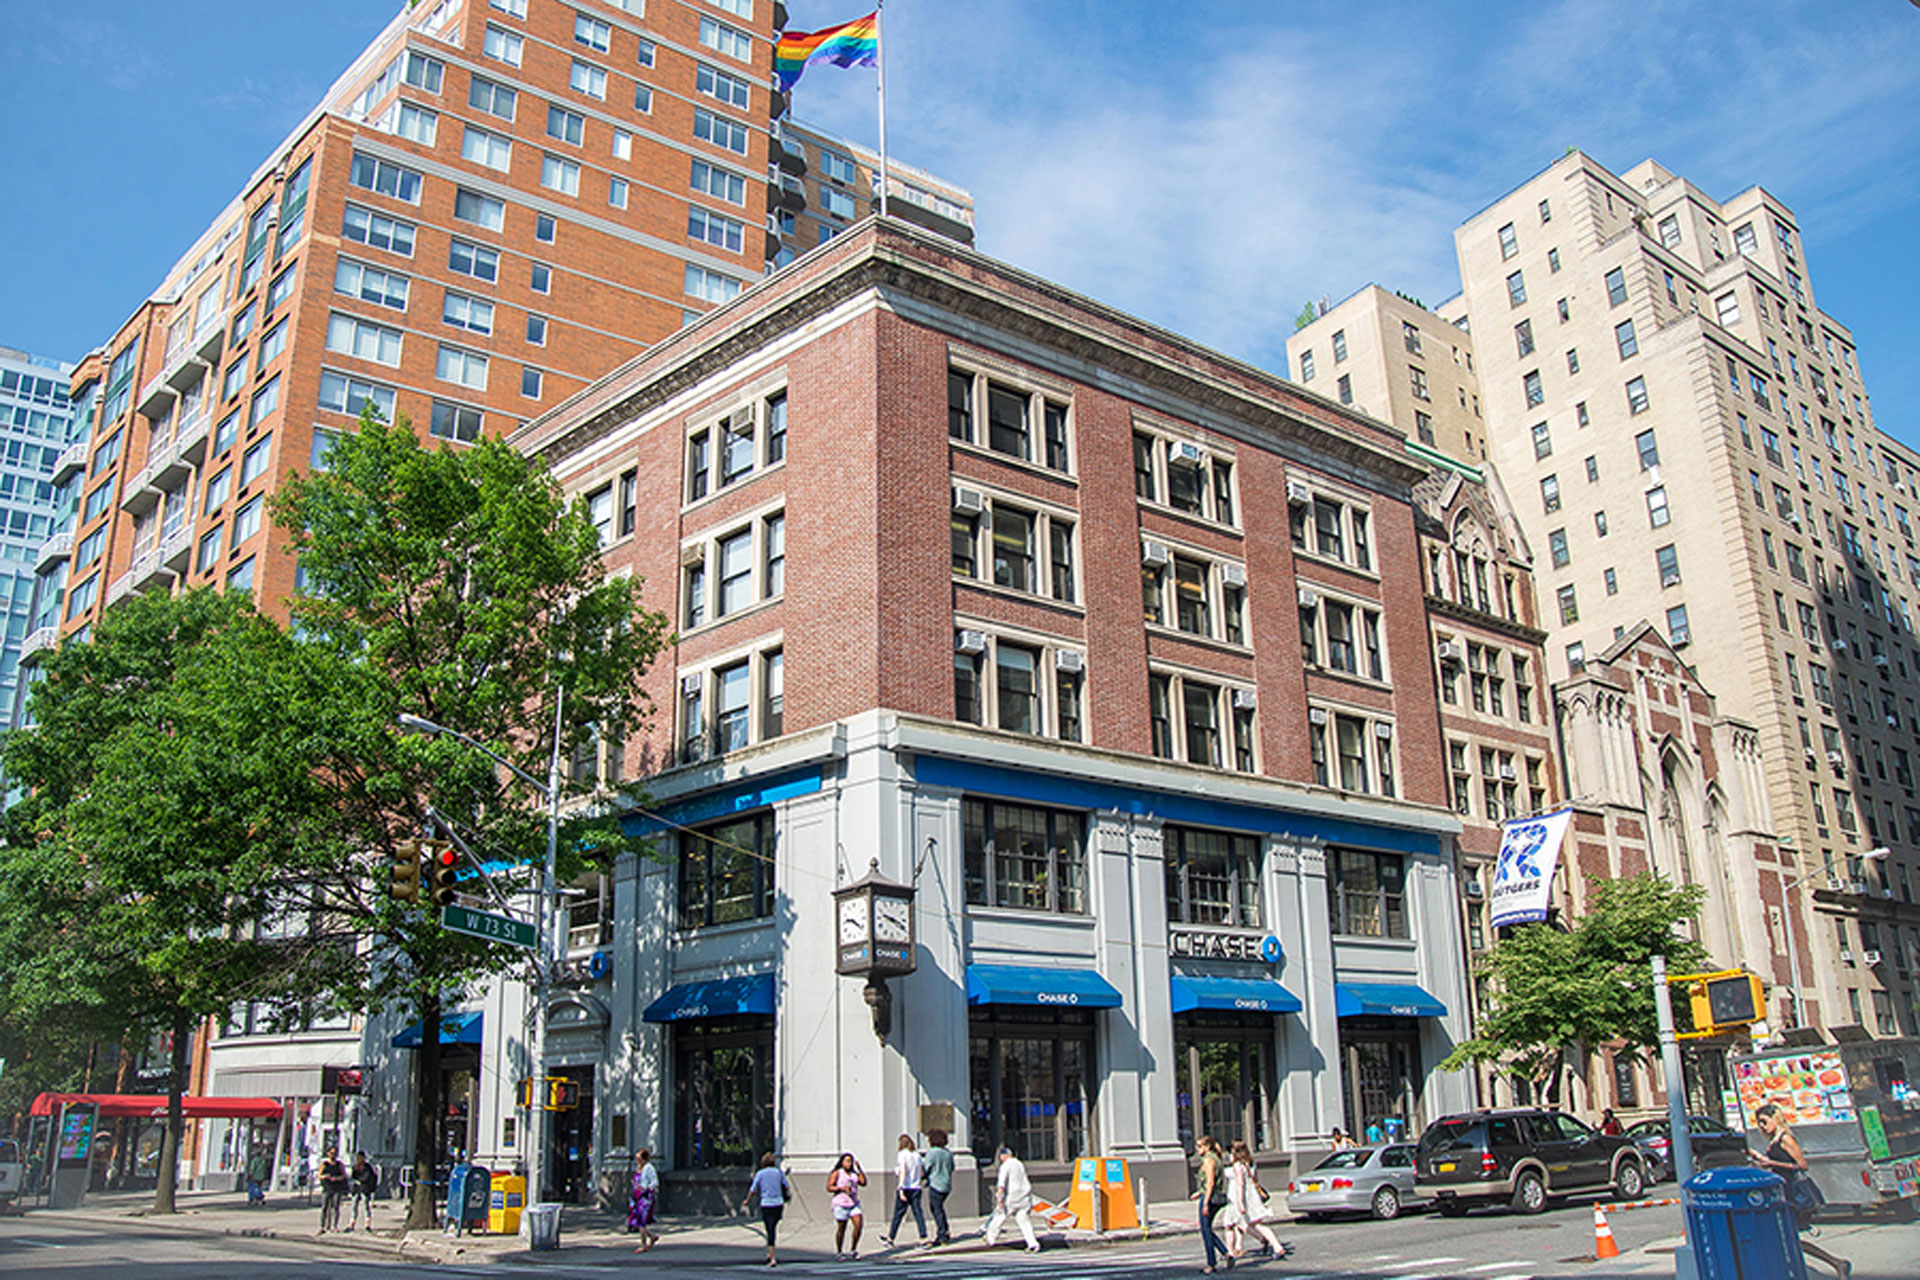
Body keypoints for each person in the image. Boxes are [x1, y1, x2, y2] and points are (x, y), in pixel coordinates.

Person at [1751, 1104, 1850, 1279]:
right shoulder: (1774, 1140)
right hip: (1784, 1191)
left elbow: (1801, 1165)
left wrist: (1771, 1163)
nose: (1762, 1127)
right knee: (1787, 1237)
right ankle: (1833, 1263)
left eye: (1764, 1122)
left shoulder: (1786, 1139)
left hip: (1794, 1192)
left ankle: (1835, 1263)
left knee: (1788, 1236)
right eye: (1759, 1123)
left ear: (1775, 1118)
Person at [1223, 1140, 1285, 1260]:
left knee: (1255, 1224)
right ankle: (1274, 1245)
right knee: (1254, 1224)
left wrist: (1240, 1202)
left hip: (1245, 1198)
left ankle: (1277, 1247)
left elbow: (1240, 1184)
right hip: (1253, 1196)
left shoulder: (1237, 1166)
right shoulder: (1249, 1163)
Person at [984, 1145, 1040, 1252]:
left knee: (999, 1218)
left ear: (1004, 1156)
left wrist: (999, 1198)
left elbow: (1001, 1183)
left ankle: (990, 1239)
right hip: (1024, 1196)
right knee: (1024, 1222)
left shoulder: (1005, 1166)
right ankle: (1033, 1243)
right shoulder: (1019, 1164)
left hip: (1012, 1197)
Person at [743, 1152, 794, 1268]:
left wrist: (747, 1200)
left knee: (770, 1230)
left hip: (766, 1204)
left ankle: (772, 1256)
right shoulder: (778, 1172)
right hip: (778, 1204)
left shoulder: (760, 1174)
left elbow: (753, 1189)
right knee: (773, 1227)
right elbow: (786, 1186)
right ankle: (770, 1252)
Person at [1192, 1135, 1230, 1273]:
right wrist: (1199, 1192)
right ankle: (1226, 1254)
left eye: (1200, 1146)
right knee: (1207, 1228)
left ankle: (1211, 1263)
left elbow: (1211, 1182)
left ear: (1207, 1147)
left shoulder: (1208, 1160)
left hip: (1211, 1197)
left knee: (1205, 1230)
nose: (1198, 1149)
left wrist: (1205, 1202)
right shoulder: (1216, 1158)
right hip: (1214, 1195)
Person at [883, 1133, 928, 1247]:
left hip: (906, 1186)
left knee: (898, 1214)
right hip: (916, 1187)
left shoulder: (902, 1155)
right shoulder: (917, 1156)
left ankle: (891, 1238)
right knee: (918, 1213)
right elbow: (922, 1172)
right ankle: (923, 1237)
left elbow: (903, 1171)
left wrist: (901, 1188)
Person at [827, 1151, 867, 1260]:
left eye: (851, 1162)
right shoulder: (837, 1173)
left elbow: (863, 1183)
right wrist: (841, 1188)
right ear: (842, 1162)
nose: (849, 1164)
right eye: (847, 1161)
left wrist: (860, 1169)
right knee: (841, 1228)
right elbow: (829, 1187)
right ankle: (839, 1251)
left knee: (858, 1225)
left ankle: (853, 1249)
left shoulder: (854, 1174)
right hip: (841, 1203)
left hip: (853, 1203)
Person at [923, 1129, 955, 1246]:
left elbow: (927, 1168)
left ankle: (942, 1234)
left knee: (936, 1209)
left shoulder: (932, 1153)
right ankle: (944, 1230)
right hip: (946, 1184)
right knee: (939, 1208)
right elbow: (952, 1168)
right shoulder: (948, 1153)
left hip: (935, 1184)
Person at [628, 1148, 660, 1252]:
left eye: (638, 1158)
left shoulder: (649, 1168)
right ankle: (652, 1236)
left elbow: (654, 1182)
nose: (636, 1160)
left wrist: (646, 1188)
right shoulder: (639, 1168)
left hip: (645, 1197)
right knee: (636, 1220)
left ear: (644, 1158)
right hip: (637, 1197)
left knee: (641, 1221)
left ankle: (643, 1245)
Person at [316, 1148, 349, 1233]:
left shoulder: (339, 1164)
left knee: (335, 1207)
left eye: (334, 1153)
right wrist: (325, 1176)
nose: (333, 1155)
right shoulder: (324, 1164)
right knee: (325, 1207)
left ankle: (334, 1226)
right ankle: (323, 1226)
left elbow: (343, 1175)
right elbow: (319, 1175)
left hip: (336, 1188)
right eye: (331, 1153)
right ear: (328, 1154)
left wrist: (337, 1178)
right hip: (327, 1188)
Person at [346, 1152, 379, 1231]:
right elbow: (353, 1176)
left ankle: (367, 1223)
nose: (359, 1159)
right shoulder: (355, 1167)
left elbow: (367, 1177)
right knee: (354, 1205)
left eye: (360, 1158)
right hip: (356, 1189)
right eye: (358, 1158)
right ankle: (352, 1223)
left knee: (365, 1205)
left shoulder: (367, 1167)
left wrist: (360, 1181)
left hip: (365, 1188)